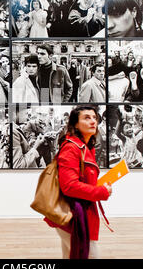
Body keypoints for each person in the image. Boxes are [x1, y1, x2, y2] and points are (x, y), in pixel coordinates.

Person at [45, 106, 112, 259]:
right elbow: (69, 186)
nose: (93, 121)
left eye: (94, 117)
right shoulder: (71, 148)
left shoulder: (86, 146)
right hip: (73, 214)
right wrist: (100, 192)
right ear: (75, 124)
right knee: (89, 255)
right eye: (87, 118)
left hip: (78, 212)